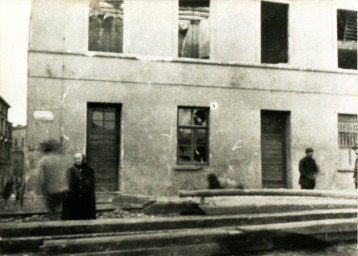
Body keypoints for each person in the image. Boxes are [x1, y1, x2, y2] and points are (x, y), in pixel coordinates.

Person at [37, 140, 68, 219]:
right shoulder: (60, 160)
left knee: (52, 212)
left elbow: (41, 179)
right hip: (62, 190)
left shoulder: (43, 161)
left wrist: (42, 190)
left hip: (49, 191)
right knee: (59, 211)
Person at [62, 153, 96, 220]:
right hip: (74, 197)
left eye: (78, 158)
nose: (77, 160)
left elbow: (91, 183)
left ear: (83, 159)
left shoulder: (89, 169)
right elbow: (67, 182)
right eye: (75, 159)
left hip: (86, 197)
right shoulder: (70, 170)